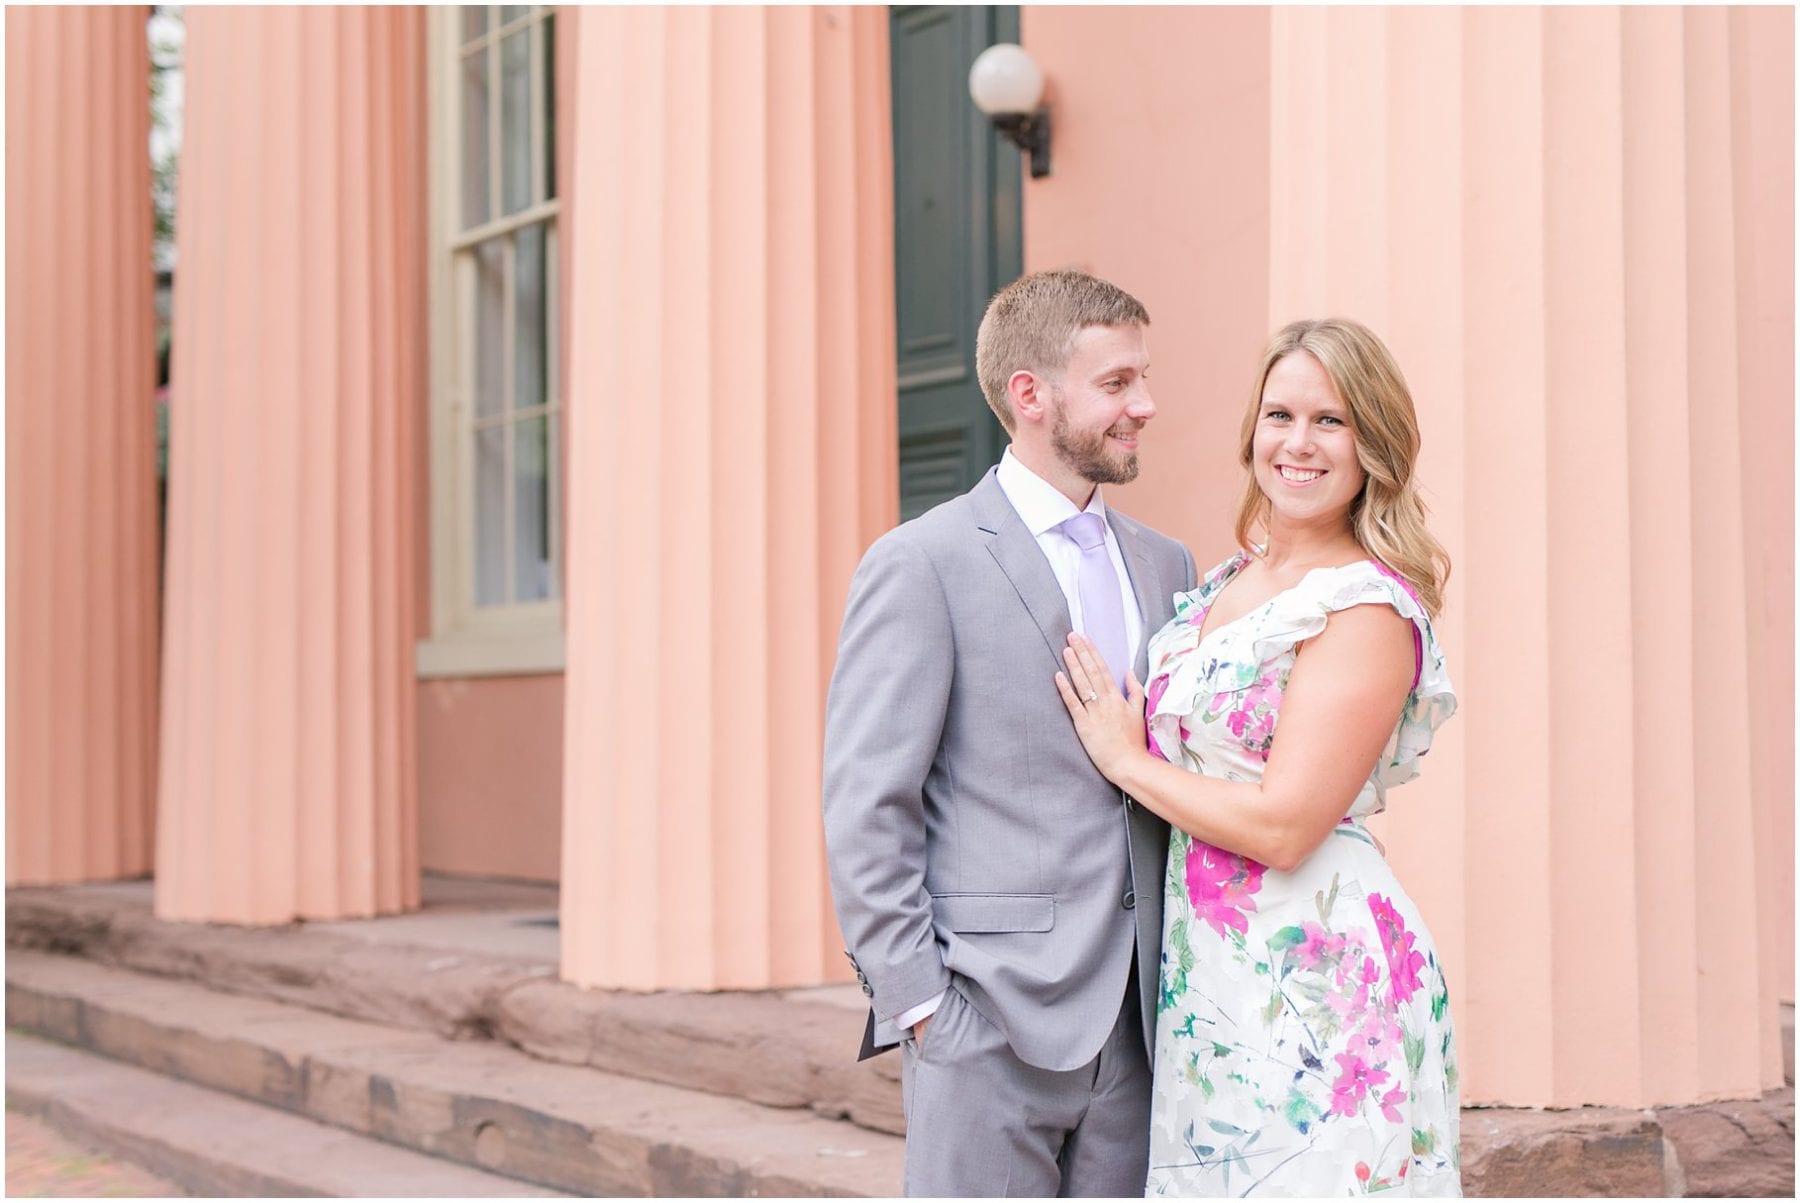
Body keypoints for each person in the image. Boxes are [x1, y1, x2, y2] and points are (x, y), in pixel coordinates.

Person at [1054, 318, 1460, 1197]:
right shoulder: (1224, 583)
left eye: (1332, 420)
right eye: (1280, 414)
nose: (1299, 443)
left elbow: (1283, 826)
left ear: (1373, 446)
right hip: (1211, 973)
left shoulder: (1363, 609)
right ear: (1253, 433)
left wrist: (1126, 761)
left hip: (1312, 969)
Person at [823, 269, 1197, 1196]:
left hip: (1142, 1029)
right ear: (1031, 395)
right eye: (1116, 384)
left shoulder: (1168, 563)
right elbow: (869, 804)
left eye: (1142, 379)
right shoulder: (921, 564)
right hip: (985, 1023)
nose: (1144, 405)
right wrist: (921, 1008)